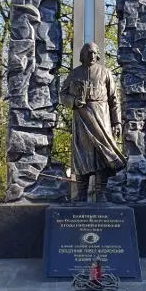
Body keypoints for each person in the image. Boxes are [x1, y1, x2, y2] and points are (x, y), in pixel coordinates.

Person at [60, 42, 125, 201]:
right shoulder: (74, 74)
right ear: (82, 55)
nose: (91, 55)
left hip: (101, 117)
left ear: (98, 55)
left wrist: (116, 122)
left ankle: (101, 192)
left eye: (94, 52)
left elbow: (114, 100)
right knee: (82, 154)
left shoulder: (105, 73)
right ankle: (81, 193)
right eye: (88, 53)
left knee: (102, 153)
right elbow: (62, 95)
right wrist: (73, 101)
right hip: (81, 118)